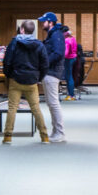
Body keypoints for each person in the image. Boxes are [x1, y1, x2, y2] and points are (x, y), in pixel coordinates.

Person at [1, 20, 50, 144]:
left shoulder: (14, 43)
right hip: (31, 81)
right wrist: (38, 78)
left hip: (16, 79)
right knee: (36, 108)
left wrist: (9, 75)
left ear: (22, 29)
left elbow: (7, 61)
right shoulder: (39, 45)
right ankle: (44, 136)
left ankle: (7, 136)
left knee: (12, 108)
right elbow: (45, 64)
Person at [38, 11, 66, 143]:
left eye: (44, 21)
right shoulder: (53, 35)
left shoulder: (56, 35)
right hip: (49, 71)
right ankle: (56, 131)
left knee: (53, 103)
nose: (42, 24)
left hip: (52, 72)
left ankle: (59, 133)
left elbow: (58, 53)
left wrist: (45, 62)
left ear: (51, 23)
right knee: (51, 103)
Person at [63, 26, 78, 101]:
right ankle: (71, 94)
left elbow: (66, 53)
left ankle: (71, 95)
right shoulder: (73, 38)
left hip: (68, 59)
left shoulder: (66, 40)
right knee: (70, 76)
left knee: (68, 77)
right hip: (73, 58)